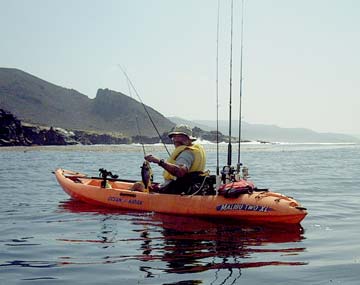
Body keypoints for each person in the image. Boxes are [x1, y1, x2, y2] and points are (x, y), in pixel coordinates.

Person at [144, 124, 206, 193]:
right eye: (174, 137)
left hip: (179, 190)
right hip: (186, 187)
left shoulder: (187, 153)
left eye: (180, 136)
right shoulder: (192, 150)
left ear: (189, 138)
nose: (176, 140)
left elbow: (180, 172)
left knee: (138, 186)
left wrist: (159, 161)